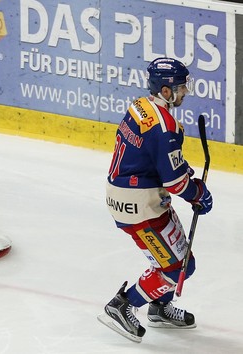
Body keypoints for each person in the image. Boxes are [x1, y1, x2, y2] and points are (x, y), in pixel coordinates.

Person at [98, 57, 213, 342]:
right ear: (165, 90)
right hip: (139, 206)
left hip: (142, 196)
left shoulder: (142, 106)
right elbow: (174, 182)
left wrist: (180, 169)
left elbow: (154, 160)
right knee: (175, 268)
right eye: (181, 87)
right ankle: (123, 304)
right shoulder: (164, 126)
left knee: (183, 263)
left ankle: (159, 306)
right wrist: (197, 193)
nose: (185, 92)